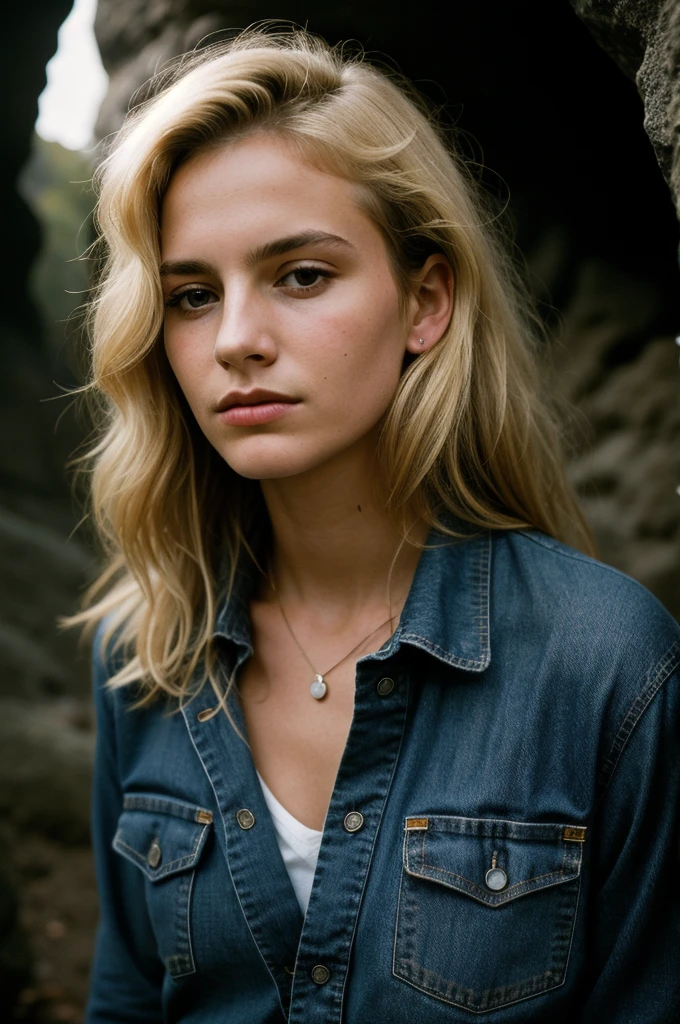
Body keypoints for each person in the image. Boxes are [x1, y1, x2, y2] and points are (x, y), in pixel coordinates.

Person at [75, 26, 680, 1023]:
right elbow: (126, 996)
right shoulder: (143, 656)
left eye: (300, 274)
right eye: (190, 295)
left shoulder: (611, 668)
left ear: (424, 301)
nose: (235, 340)